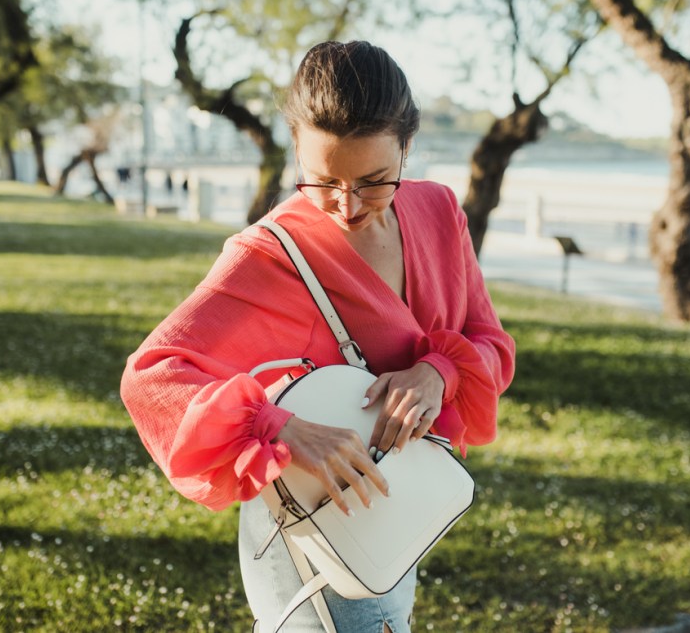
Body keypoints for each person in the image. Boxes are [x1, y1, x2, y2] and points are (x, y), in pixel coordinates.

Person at [120, 40, 516, 633]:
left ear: (407, 145)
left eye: (375, 180)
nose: (347, 205)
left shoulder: (437, 212)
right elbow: (153, 374)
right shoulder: (270, 253)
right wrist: (280, 428)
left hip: (391, 512)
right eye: (322, 179)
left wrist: (440, 371)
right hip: (311, 528)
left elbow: (490, 341)